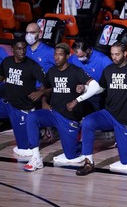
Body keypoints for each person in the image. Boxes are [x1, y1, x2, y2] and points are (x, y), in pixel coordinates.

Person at [75, 41, 127, 176]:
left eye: (117, 54)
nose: (114, 57)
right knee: (88, 122)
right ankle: (88, 163)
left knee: (126, 160)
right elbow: (100, 88)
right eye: (112, 54)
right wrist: (85, 88)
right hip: (109, 114)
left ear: (125, 53)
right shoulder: (108, 70)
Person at [23, 43, 100, 171]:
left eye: (60, 55)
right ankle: (36, 158)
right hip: (53, 113)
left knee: (71, 155)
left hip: (68, 117)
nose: (56, 58)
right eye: (55, 54)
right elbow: (46, 87)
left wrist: (80, 95)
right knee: (32, 116)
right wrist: (43, 100)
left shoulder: (76, 71)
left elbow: (95, 87)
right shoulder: (52, 71)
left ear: (68, 56)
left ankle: (80, 137)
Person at [0, 38, 45, 156]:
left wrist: (40, 92)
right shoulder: (7, 61)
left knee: (25, 150)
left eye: (24, 48)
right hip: (6, 103)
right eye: (19, 49)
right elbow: (1, 76)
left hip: (22, 107)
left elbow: (47, 83)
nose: (22, 51)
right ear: (12, 49)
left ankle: (40, 131)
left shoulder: (32, 65)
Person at [25, 22, 56, 141]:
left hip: (45, 90)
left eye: (32, 33)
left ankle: (47, 128)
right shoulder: (24, 50)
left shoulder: (49, 52)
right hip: (28, 88)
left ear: (40, 34)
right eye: (27, 32)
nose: (29, 35)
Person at [69, 39, 112, 111]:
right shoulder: (73, 58)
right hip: (81, 92)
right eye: (77, 56)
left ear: (88, 50)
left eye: (81, 56)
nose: (79, 59)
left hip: (100, 95)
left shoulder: (103, 60)